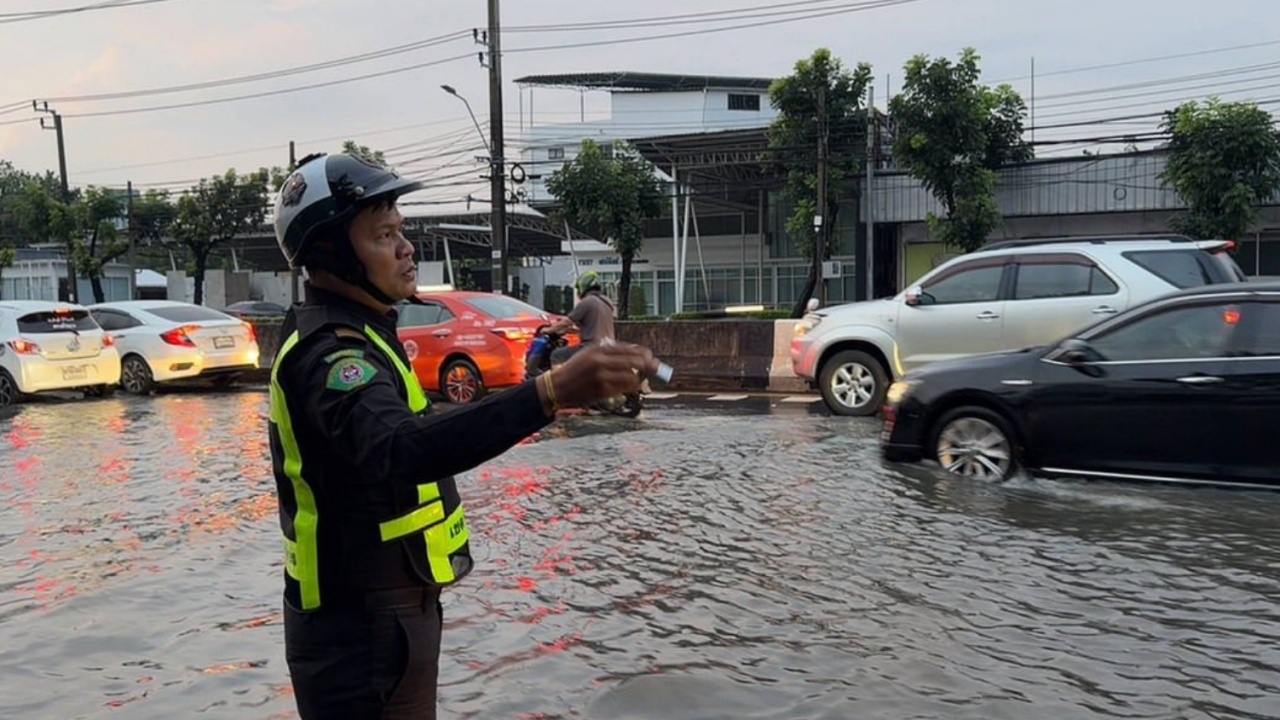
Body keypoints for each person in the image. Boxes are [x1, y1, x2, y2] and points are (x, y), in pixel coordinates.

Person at [266, 152, 659, 720]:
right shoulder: (331, 356)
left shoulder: (362, 334)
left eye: (402, 230)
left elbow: (422, 430)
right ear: (330, 256)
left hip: (386, 616)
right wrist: (547, 393)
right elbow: (402, 446)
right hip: (359, 635)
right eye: (384, 235)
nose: (406, 249)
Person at [542, 269, 615, 365]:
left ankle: (561, 380)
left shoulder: (587, 302)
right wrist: (570, 331)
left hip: (591, 347)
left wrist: (548, 330)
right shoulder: (607, 302)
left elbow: (567, 321)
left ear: (583, 286)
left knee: (557, 355)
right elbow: (593, 327)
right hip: (610, 347)